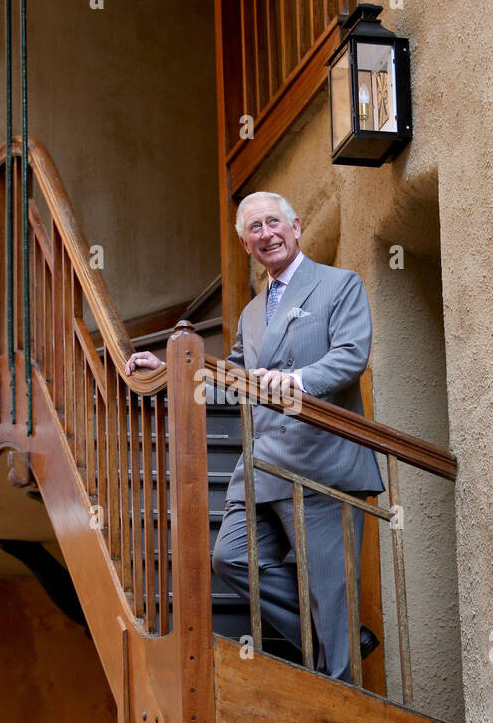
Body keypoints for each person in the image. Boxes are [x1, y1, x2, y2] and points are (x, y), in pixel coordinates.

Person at [126, 191, 384, 681]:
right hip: (263, 464)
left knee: (330, 589)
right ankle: (339, 630)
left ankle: (343, 693)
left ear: (296, 226)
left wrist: (299, 381)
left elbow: (352, 354)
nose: (266, 234)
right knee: (230, 558)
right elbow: (236, 377)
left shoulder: (338, 284)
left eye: (273, 223)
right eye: (255, 230)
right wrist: (170, 371)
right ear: (247, 246)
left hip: (323, 462)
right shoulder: (250, 313)